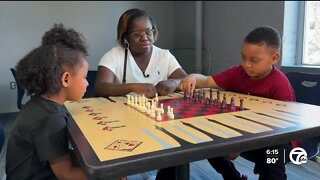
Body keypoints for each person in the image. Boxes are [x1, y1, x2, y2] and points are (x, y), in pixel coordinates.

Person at [179, 26, 297, 180]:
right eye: (243, 58)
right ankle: (232, 176)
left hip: (280, 138)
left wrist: (242, 143)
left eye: (254, 60)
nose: (246, 64)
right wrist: (193, 76)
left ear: (274, 58)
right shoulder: (238, 73)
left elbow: (284, 126)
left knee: (271, 161)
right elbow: (208, 80)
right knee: (209, 144)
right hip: (244, 133)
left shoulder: (280, 83)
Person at [5, 23, 88, 180]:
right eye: (84, 77)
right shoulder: (51, 117)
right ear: (66, 79)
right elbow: (66, 174)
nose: (87, 83)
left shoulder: (39, 103)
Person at [94, 8, 187, 98]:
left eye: (148, 32)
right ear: (126, 37)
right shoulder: (113, 56)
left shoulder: (164, 55)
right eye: (137, 34)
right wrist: (133, 87)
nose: (144, 38)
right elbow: (100, 87)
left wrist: (174, 82)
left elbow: (185, 78)